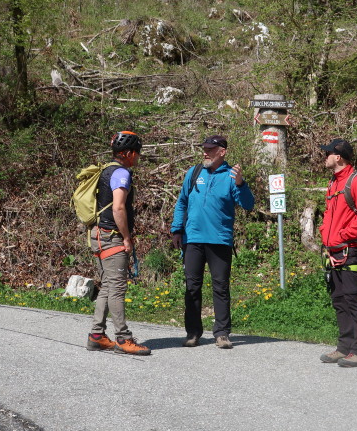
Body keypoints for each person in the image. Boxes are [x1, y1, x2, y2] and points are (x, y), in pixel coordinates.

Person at [171, 135, 254, 349]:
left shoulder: (231, 175)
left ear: (222, 152)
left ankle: (222, 333)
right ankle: (193, 332)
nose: (205, 152)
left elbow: (248, 205)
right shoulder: (194, 172)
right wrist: (176, 229)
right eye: (204, 148)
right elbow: (182, 202)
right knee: (192, 287)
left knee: (220, 288)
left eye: (210, 149)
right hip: (193, 239)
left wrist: (241, 183)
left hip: (219, 241)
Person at [86, 131, 151, 356]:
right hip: (112, 236)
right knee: (117, 288)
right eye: (138, 153)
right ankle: (123, 338)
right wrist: (126, 237)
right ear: (129, 153)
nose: (139, 157)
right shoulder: (122, 173)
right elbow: (118, 208)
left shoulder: (107, 169)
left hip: (99, 235)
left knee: (107, 285)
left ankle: (96, 335)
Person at [318, 138, 357, 367]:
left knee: (352, 299)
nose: (325, 157)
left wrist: (342, 237)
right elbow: (328, 216)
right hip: (333, 252)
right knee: (339, 300)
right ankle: (343, 348)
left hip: (351, 251)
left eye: (327, 153)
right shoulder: (333, 183)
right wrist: (326, 239)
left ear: (338, 156)